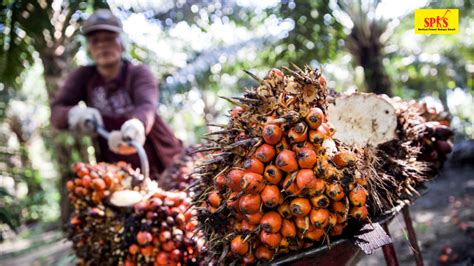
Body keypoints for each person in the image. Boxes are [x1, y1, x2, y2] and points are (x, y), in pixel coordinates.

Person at [50, 9, 183, 179]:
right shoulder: (84, 77)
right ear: (89, 47)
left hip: (163, 162)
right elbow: (57, 111)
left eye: (109, 39)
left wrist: (136, 125)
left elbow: (146, 105)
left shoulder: (138, 73)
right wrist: (74, 114)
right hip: (117, 170)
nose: (102, 45)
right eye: (95, 41)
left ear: (121, 43)